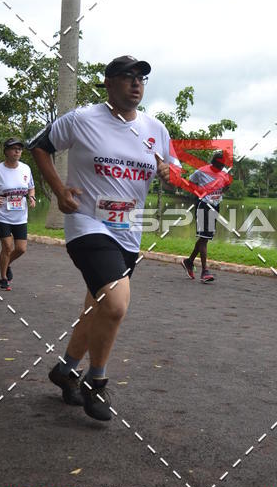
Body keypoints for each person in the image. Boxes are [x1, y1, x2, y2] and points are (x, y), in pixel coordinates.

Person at [27, 55, 171, 422]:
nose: (136, 83)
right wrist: (59, 190)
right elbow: (39, 146)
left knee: (97, 306)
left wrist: (169, 171)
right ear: (108, 83)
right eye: (127, 77)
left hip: (129, 231)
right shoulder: (82, 119)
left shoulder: (156, 128)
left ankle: (66, 369)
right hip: (88, 224)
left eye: (141, 77)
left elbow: (170, 168)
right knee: (117, 304)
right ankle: (96, 382)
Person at [0, 138, 35, 291]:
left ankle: (6, 263)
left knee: (21, 248)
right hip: (2, 215)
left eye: (19, 148)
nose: (17, 151)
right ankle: (3, 278)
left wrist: (32, 197)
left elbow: (31, 187)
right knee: (7, 246)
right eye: (13, 148)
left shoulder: (26, 168)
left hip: (20, 216)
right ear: (6, 152)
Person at [181, 151, 231, 283]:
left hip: (215, 206)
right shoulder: (201, 171)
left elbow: (227, 185)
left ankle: (189, 261)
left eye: (222, 165)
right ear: (213, 162)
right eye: (219, 164)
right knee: (204, 238)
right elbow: (189, 183)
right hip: (203, 205)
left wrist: (220, 192)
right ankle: (204, 271)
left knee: (205, 238)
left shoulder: (224, 172)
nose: (221, 167)